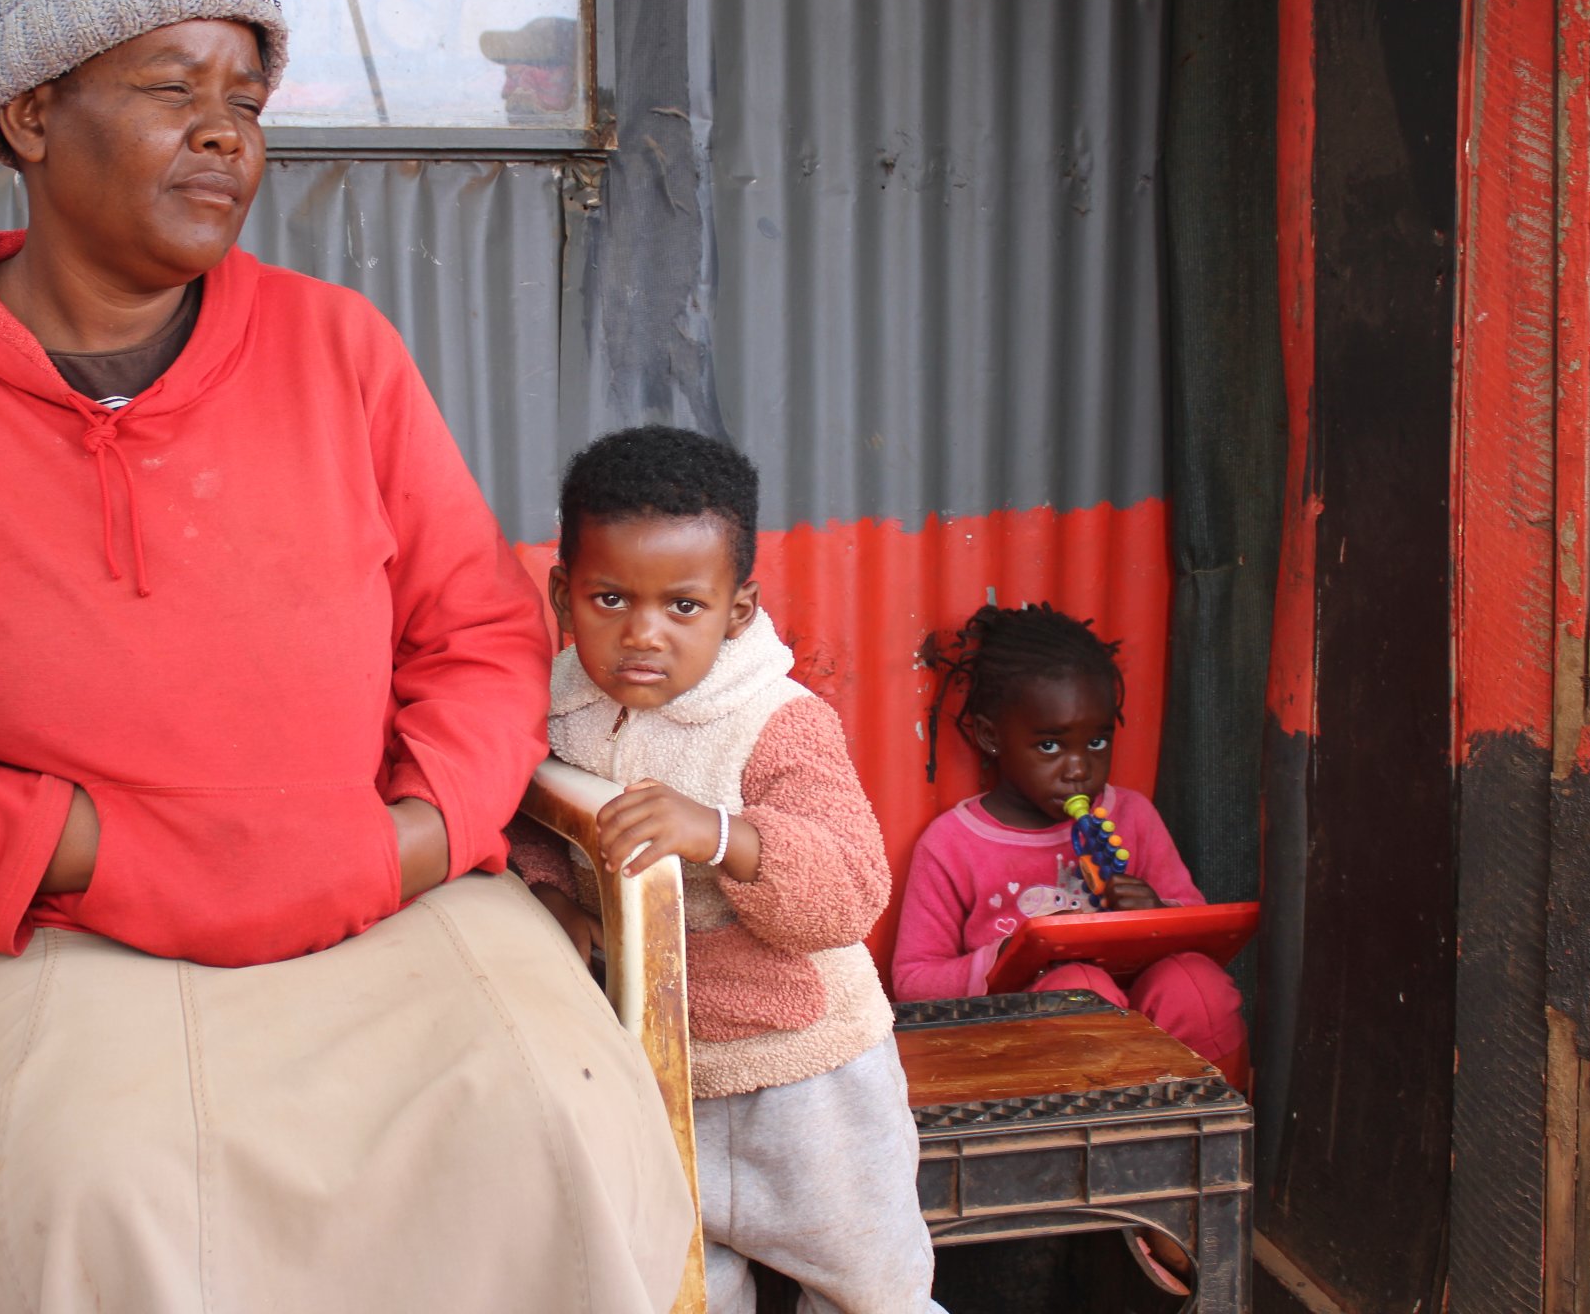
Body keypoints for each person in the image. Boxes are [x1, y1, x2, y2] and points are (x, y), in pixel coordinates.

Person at [0, 0, 691, 1314]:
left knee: (559, 1118)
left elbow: (480, 640)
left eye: (245, 97)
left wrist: (407, 845)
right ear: (32, 117)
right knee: (104, 1186)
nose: (226, 132)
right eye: (173, 90)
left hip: (387, 900)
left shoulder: (339, 352)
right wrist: (113, 856)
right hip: (65, 932)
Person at [510, 426, 941, 1314]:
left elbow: (851, 892)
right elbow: (533, 828)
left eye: (683, 607)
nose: (642, 635)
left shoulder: (777, 722)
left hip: (811, 1084)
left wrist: (720, 834)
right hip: (661, 1078)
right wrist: (554, 894)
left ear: (737, 611)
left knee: (873, 1295)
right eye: (608, 598)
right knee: (687, 1291)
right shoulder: (557, 705)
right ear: (562, 593)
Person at [889, 603, 1247, 1080]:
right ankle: (1091, 1145)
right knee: (1077, 989)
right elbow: (913, 981)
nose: (1079, 769)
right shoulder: (953, 844)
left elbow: (1195, 929)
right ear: (990, 736)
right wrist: (1009, 955)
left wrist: (1158, 909)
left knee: (1195, 986)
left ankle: (1213, 1129)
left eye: (1096, 743)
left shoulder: (1131, 816)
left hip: (1148, 1029)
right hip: (1021, 1055)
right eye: (1050, 746)